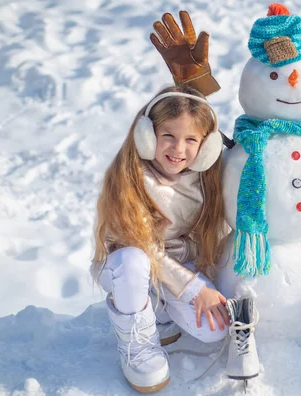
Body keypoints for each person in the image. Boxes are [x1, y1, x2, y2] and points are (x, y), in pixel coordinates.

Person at [91, 85, 259, 393]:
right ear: (146, 135)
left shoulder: (204, 173)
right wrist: (195, 290)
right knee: (134, 260)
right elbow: (142, 246)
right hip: (126, 264)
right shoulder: (130, 176)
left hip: (180, 263)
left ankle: (158, 310)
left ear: (206, 147)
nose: (178, 148)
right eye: (168, 135)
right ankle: (136, 342)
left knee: (214, 330)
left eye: (191, 139)